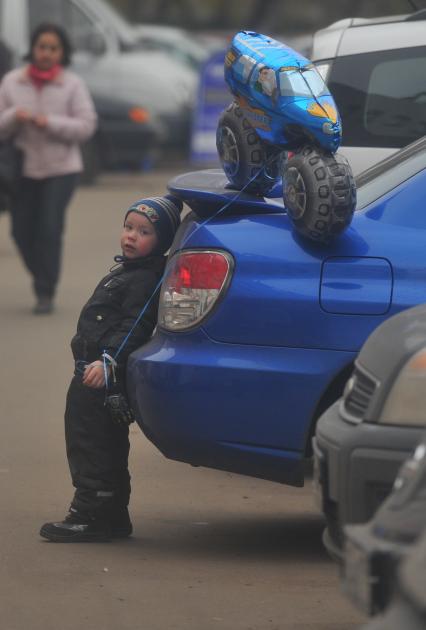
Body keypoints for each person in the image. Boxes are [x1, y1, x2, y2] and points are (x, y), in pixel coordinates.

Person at [39, 194, 182, 542]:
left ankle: (90, 513)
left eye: (144, 231)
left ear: (161, 241)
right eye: (128, 227)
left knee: (92, 443)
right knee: (102, 442)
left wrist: (109, 361)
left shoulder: (146, 280)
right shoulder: (131, 271)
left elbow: (135, 325)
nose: (131, 236)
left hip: (99, 375)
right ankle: (114, 514)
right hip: (91, 371)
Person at [0, 23, 97, 314]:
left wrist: (50, 123)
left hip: (61, 170)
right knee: (21, 232)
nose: (46, 53)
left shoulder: (72, 84)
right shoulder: (12, 82)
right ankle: (40, 274)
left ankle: (45, 290)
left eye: (53, 48)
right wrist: (14, 116)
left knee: (49, 228)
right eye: (42, 47)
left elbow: (86, 126)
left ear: (61, 53)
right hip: (23, 170)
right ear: (33, 49)